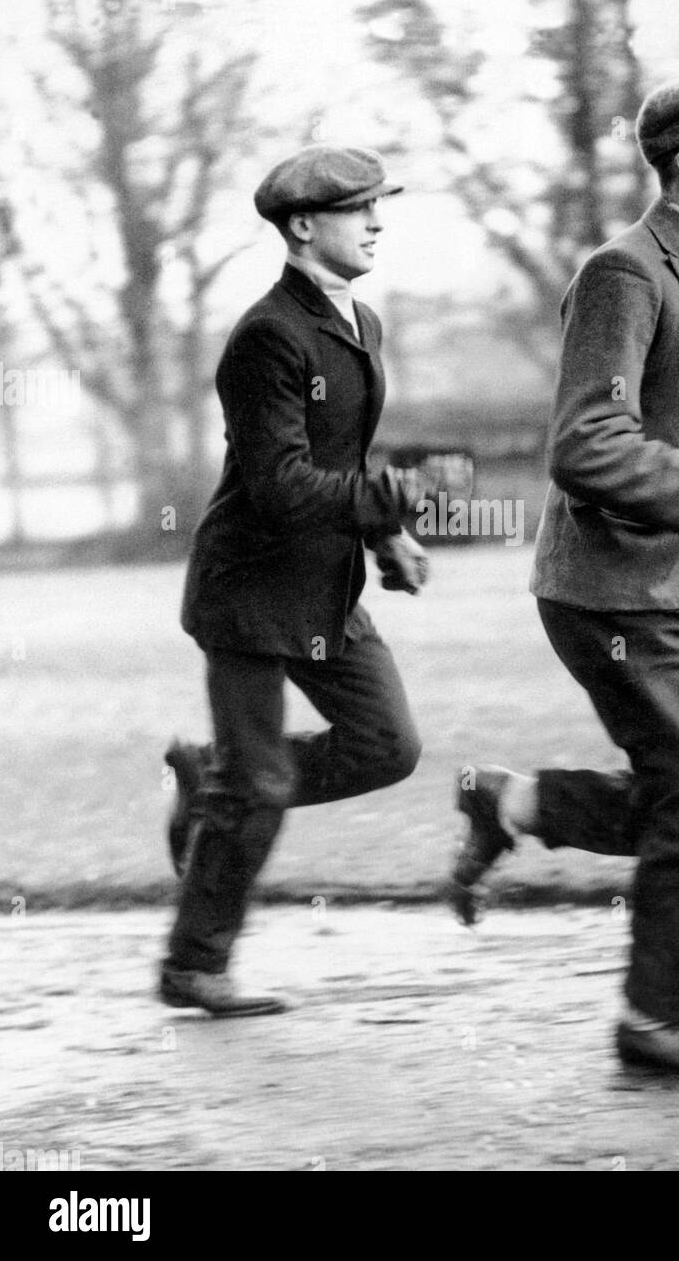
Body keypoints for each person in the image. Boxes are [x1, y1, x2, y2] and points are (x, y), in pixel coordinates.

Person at [450, 77, 679, 1080]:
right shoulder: (624, 271)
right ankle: (656, 1025)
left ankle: (513, 804)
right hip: (608, 591)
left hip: (676, 585)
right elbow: (587, 444)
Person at [160, 143, 438, 1017]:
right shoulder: (266, 337)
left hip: (324, 587)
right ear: (304, 226)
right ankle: (195, 966)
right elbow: (280, 486)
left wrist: (385, 534)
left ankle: (213, 781)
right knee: (264, 790)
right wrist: (385, 500)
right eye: (360, 210)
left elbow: (340, 458)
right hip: (247, 592)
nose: (377, 222)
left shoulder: (361, 322)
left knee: (386, 746)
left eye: (377, 206)